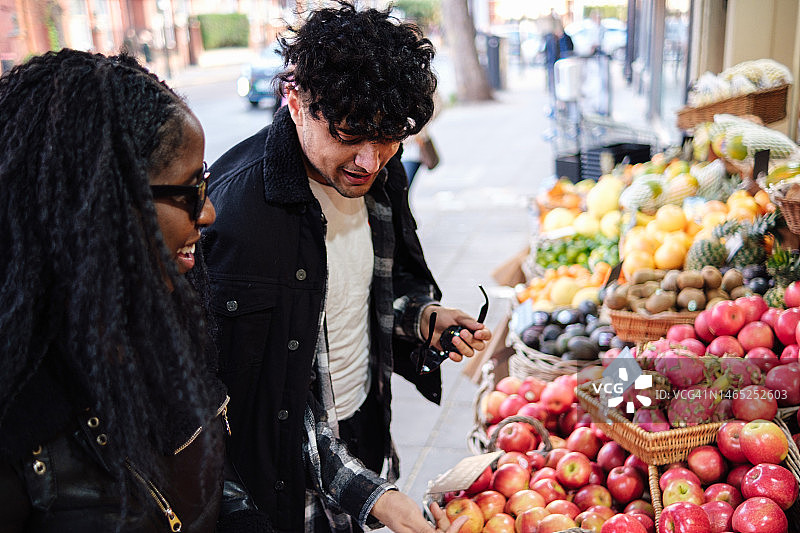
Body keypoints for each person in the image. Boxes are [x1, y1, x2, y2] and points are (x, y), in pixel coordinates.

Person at [202, 2, 491, 532]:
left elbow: (375, 286)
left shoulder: (380, 175)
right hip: (286, 482)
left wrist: (421, 317)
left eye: (387, 138)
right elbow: (263, 402)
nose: (369, 160)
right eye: (349, 134)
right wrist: (372, 495)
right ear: (294, 101)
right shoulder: (236, 217)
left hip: (363, 420)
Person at [0, 49, 264, 532]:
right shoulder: (20, 422)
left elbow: (208, 478)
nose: (207, 213)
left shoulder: (169, 305)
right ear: (105, 205)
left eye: (204, 182)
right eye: (189, 190)